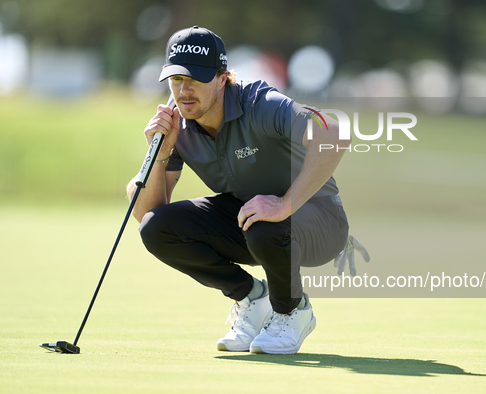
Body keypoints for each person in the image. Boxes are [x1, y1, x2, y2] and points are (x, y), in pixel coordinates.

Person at [127, 25, 351, 355]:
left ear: (222, 77)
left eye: (196, 78)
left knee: (264, 220)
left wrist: (284, 204)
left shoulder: (260, 103)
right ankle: (251, 298)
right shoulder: (175, 124)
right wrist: (159, 154)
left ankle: (291, 311)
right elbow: (148, 209)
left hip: (320, 221)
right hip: (254, 222)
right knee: (156, 227)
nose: (185, 90)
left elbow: (333, 132)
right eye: (176, 80)